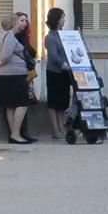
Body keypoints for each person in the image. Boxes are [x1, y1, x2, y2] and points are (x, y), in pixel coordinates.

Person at [0, 10, 36, 145]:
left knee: (11, 106)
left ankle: (14, 134)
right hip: (14, 75)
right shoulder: (10, 37)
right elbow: (5, 57)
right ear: (13, 23)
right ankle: (16, 134)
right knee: (23, 103)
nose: (24, 24)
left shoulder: (2, 36)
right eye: (20, 21)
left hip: (7, 75)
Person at [43, 8, 72, 141]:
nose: (64, 20)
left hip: (65, 73)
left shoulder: (64, 35)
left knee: (63, 102)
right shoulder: (49, 37)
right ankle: (55, 129)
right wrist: (64, 65)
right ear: (57, 20)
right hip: (55, 73)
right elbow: (54, 56)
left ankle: (62, 126)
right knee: (54, 103)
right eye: (62, 18)